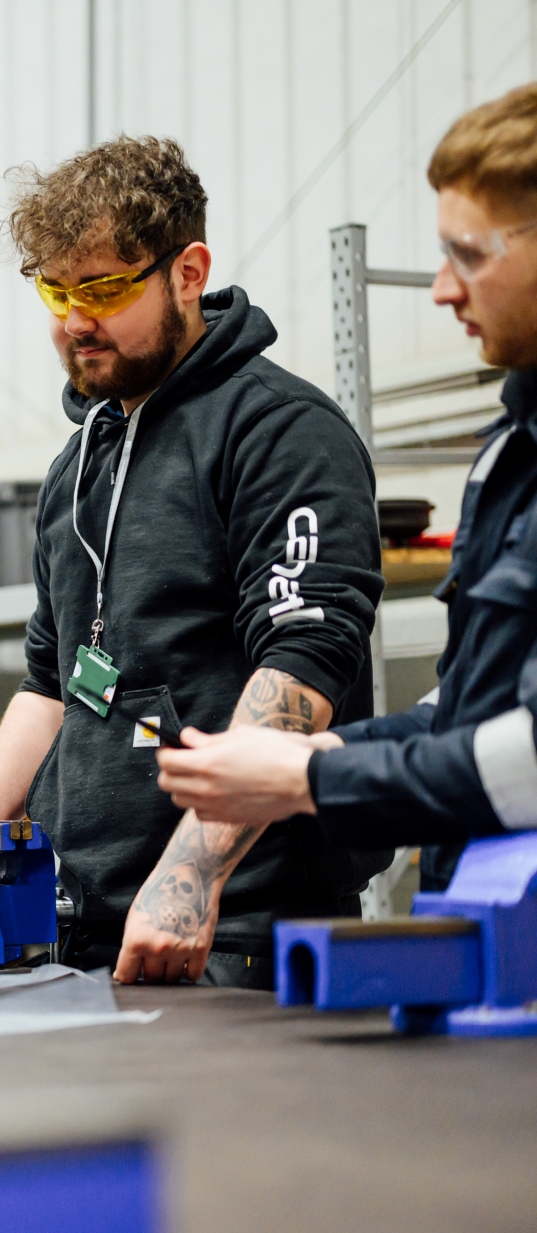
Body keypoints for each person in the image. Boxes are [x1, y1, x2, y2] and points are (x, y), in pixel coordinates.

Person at [0, 136, 386, 987]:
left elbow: (302, 670)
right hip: (90, 929)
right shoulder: (78, 468)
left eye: (105, 289)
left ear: (188, 271)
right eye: (56, 290)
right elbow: (52, 682)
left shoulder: (280, 432)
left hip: (239, 927)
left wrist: (193, 875)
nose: (76, 319)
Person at [155, 86, 537, 883]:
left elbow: (525, 757)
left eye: (469, 255)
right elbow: (469, 709)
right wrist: (319, 751)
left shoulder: (281, 428)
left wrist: (310, 780)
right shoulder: (513, 450)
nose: (441, 288)